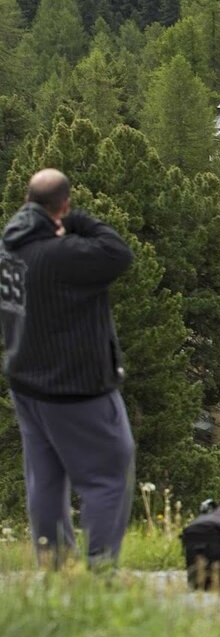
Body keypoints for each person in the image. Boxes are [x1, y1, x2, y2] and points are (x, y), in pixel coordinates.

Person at [0, 169, 135, 567]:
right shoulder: (64, 255)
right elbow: (117, 252)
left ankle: (57, 570)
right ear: (63, 205)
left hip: (26, 382)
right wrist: (75, 220)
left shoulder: (8, 250)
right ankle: (100, 569)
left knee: (44, 481)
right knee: (108, 474)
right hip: (76, 386)